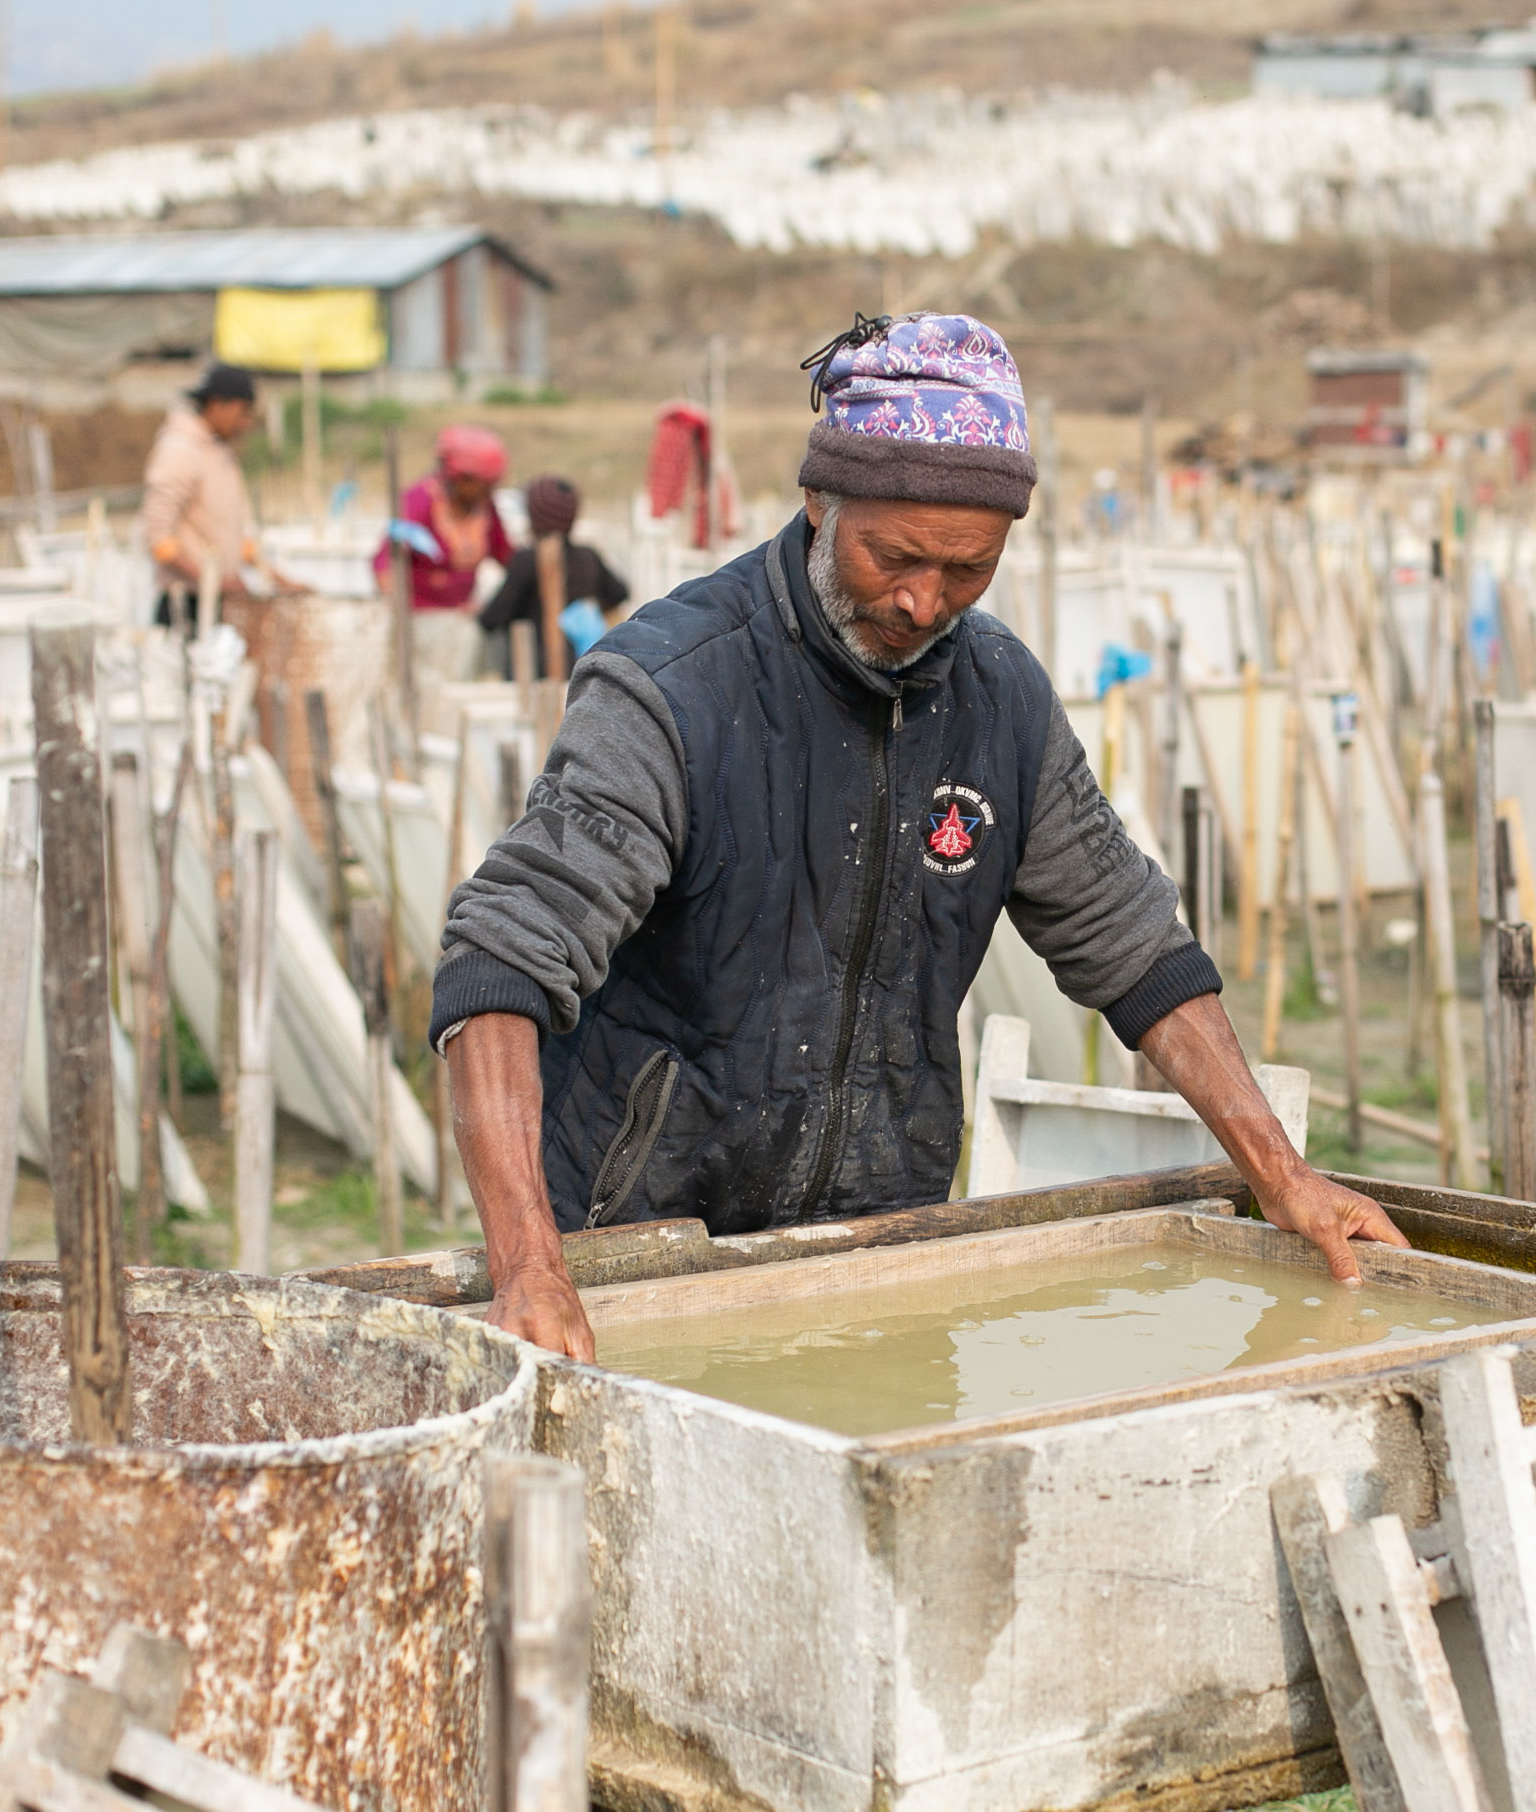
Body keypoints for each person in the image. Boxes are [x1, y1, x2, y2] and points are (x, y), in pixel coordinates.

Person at [430, 312, 1403, 1359]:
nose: (921, 599)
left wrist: (1282, 1173)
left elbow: (1136, 946)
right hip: (648, 1256)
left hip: (880, 1254)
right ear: (818, 500)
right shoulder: (674, 690)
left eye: (967, 570)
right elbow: (500, 964)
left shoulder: (1002, 705)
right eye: (891, 555)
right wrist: (531, 1263)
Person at [141, 363, 291, 628]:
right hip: (186, 606)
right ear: (217, 404)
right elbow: (158, 540)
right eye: (242, 412)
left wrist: (279, 580)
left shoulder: (217, 451)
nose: (245, 423)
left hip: (219, 601)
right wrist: (213, 581)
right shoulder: (181, 451)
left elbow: (234, 538)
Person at [477, 475, 630, 679]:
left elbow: (490, 619)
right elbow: (620, 592)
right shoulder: (587, 557)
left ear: (533, 515)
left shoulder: (526, 560)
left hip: (532, 677)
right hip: (581, 673)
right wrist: (586, 609)